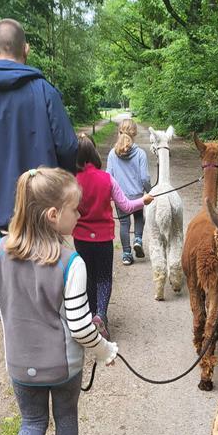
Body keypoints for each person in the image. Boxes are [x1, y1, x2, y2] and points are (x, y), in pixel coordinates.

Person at [0, 166, 118, 435]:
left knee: (31, 422)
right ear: (54, 216)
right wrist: (106, 351)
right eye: (75, 209)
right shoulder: (72, 263)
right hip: (64, 365)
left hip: (20, 365)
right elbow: (80, 326)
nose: (80, 214)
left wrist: (18, 318)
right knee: (66, 416)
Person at [0, 18, 78, 232]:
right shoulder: (44, 90)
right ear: (26, 49)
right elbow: (67, 146)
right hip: (41, 197)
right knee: (44, 256)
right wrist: (57, 182)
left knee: (10, 253)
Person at [72, 134, 154, 338]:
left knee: (89, 277)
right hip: (103, 239)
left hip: (81, 238)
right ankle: (101, 314)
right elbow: (126, 206)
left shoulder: (72, 181)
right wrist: (143, 201)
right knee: (104, 277)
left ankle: (91, 315)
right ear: (94, 153)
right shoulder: (107, 179)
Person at [106, 119, 150, 266]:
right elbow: (144, 178)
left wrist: (110, 195)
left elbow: (109, 176)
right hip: (137, 195)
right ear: (135, 133)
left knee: (124, 224)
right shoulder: (140, 154)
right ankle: (138, 239)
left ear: (119, 132)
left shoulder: (113, 153)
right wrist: (149, 191)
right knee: (139, 218)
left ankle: (126, 254)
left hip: (120, 197)